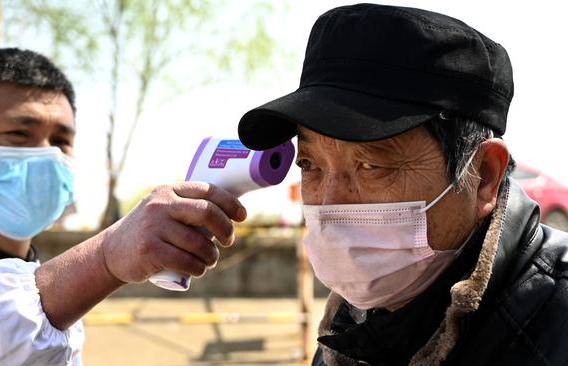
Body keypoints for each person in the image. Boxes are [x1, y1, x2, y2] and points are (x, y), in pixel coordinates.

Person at [238, 4, 568, 366]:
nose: (330, 204)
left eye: (370, 165)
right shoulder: (348, 328)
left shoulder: (554, 318)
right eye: (309, 164)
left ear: (483, 176)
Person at [0, 48, 246, 365]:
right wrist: (104, 258)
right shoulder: (54, 290)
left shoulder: (47, 284)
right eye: (19, 134)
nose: (48, 157)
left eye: (61, 141)